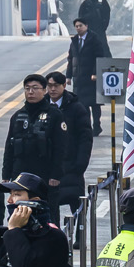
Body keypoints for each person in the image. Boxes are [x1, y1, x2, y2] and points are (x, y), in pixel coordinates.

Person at [2, 75, 68, 196]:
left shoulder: (54, 115)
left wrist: (56, 175)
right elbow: (9, 147)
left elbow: (60, 147)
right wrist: (6, 174)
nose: (30, 92)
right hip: (20, 174)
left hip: (44, 173)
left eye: (35, 88)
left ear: (44, 90)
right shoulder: (18, 116)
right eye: (27, 88)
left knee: (46, 210)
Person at [45, 72, 94, 216]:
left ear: (64, 86)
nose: (52, 89)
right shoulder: (43, 107)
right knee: (51, 211)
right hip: (49, 170)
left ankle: (80, 238)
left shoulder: (77, 108)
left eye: (56, 85)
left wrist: (80, 165)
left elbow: (85, 138)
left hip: (72, 168)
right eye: (49, 86)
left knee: (78, 212)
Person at [67, 17, 109, 128]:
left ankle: (97, 125)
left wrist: (95, 73)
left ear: (86, 26)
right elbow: (71, 59)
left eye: (80, 26)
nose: (78, 28)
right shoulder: (75, 41)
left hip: (91, 78)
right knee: (82, 105)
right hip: (79, 79)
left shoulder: (94, 39)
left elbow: (99, 57)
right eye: (76, 26)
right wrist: (68, 76)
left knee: (94, 104)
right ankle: (87, 126)